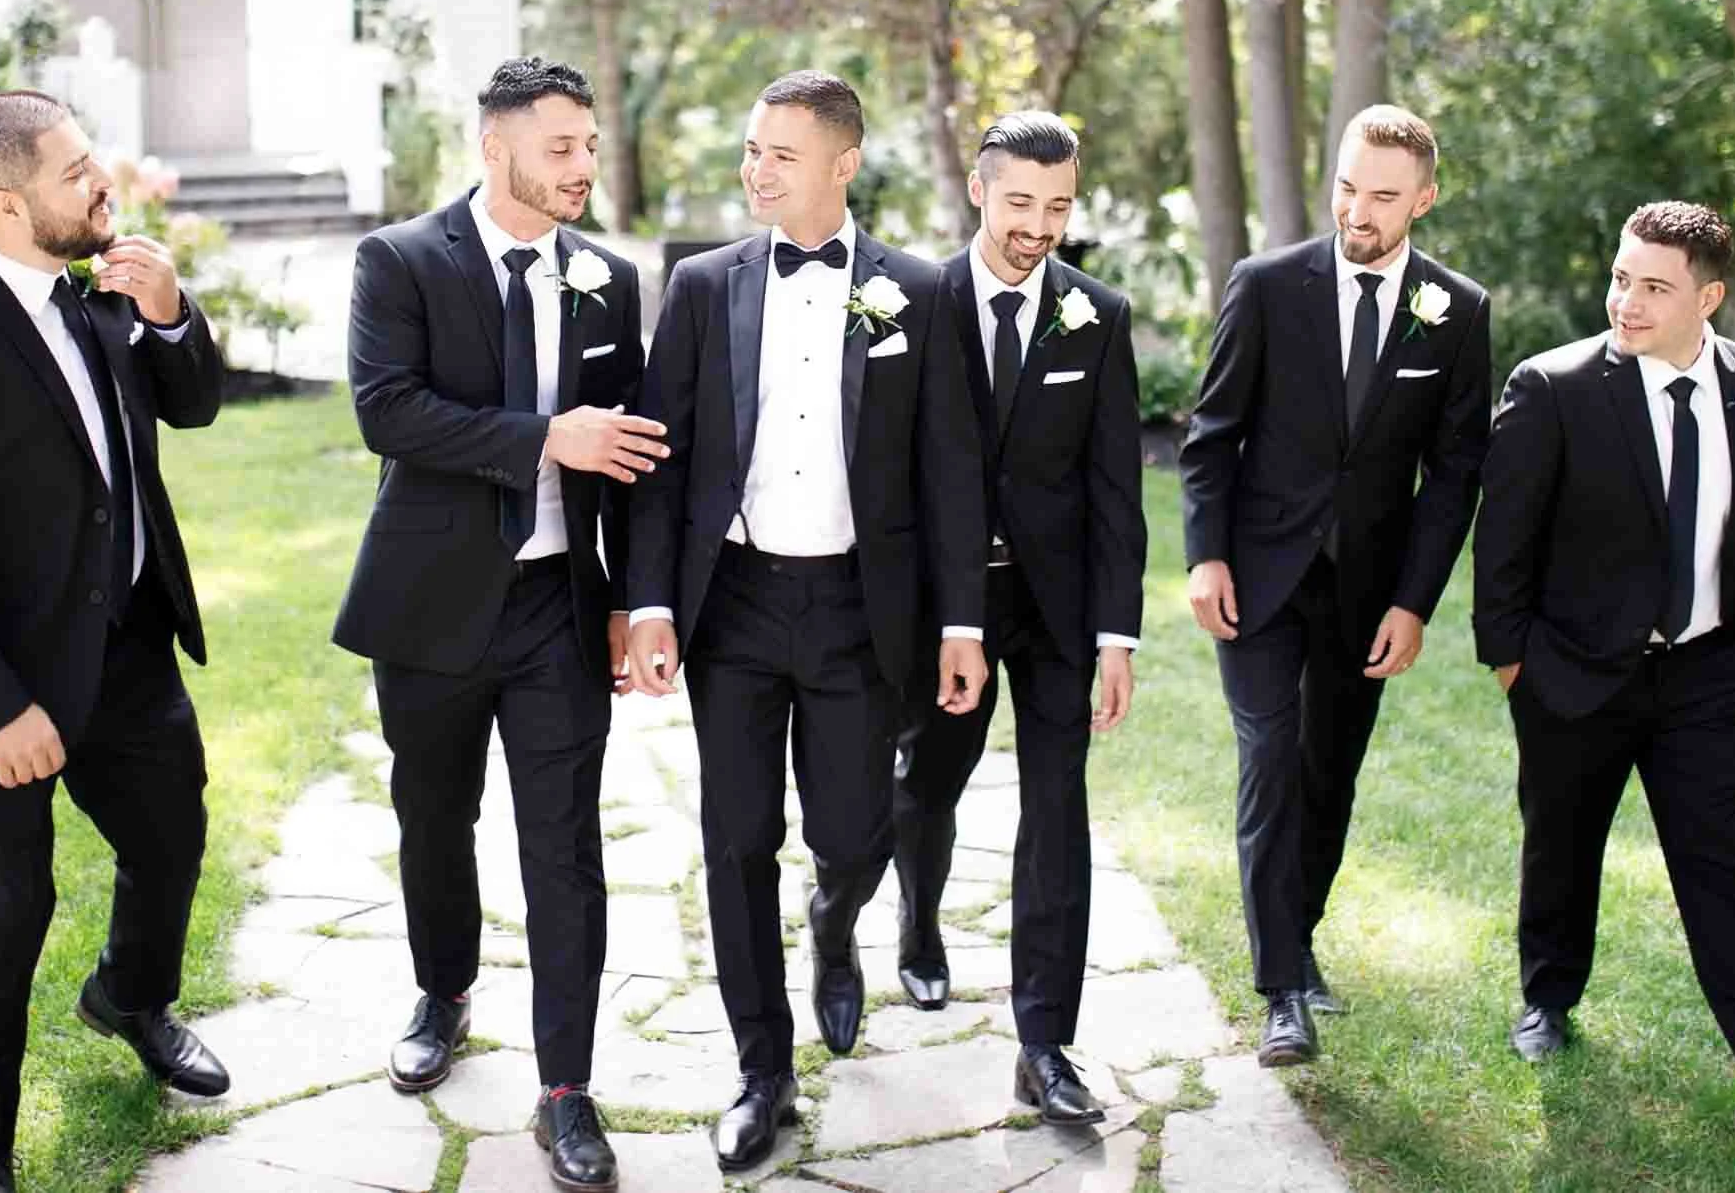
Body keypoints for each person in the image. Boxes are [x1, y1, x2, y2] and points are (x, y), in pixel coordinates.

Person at [0, 92, 228, 1193]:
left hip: (127, 646)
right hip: (2, 680)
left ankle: (130, 996)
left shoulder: (97, 290)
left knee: (169, 839)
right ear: (8, 202)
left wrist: (169, 314)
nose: (102, 180)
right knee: (3, 912)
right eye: (76, 171)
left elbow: (193, 404)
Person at [623, 70, 985, 1172]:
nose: (756, 168)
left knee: (852, 829)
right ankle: (759, 1068)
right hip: (730, 604)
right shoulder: (700, 284)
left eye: (781, 152)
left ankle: (836, 922)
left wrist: (961, 619)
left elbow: (952, 472)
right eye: (750, 148)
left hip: (857, 609)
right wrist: (646, 599)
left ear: (843, 163)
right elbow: (658, 459)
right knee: (736, 839)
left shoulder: (917, 292)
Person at [1472, 201, 1735, 1142]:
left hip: (1709, 676)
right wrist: (1514, 666)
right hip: (1573, 672)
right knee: (1562, 842)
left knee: (1727, 868)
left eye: (1655, 286)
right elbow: (1504, 546)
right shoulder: (1554, 386)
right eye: (1622, 277)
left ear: (1710, 295)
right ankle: (1549, 997)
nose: (1629, 300)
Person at [331, 56, 657, 1192]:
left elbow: (631, 458)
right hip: (429, 603)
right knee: (432, 813)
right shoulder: (403, 260)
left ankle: (565, 1086)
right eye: (560, 146)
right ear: (496, 144)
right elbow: (387, 410)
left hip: (556, 608)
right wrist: (538, 437)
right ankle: (444, 986)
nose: (581, 166)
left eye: (588, 145)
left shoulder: (611, 279)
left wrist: (631, 597)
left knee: (564, 845)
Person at [1179, 105, 1491, 1066]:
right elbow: (1211, 436)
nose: (1359, 207)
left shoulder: (1459, 309)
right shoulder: (1268, 285)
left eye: (1384, 195)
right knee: (1271, 757)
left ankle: (1299, 940)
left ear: (1424, 201)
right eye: (1349, 186)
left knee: (1329, 773)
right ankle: (1282, 989)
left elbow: (1453, 474)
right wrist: (1205, 555)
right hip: (1260, 575)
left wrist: (1413, 601)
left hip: (1367, 593)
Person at [889, 112, 1146, 1127]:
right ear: (978, 192)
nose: (1038, 226)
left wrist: (1116, 635)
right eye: (1020, 203)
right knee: (929, 781)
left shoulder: (1099, 314)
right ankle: (916, 924)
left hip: (1055, 610)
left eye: (1058, 206)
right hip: (940, 607)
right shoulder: (914, 301)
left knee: (1057, 812)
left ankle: (1044, 1041)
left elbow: (1115, 488)